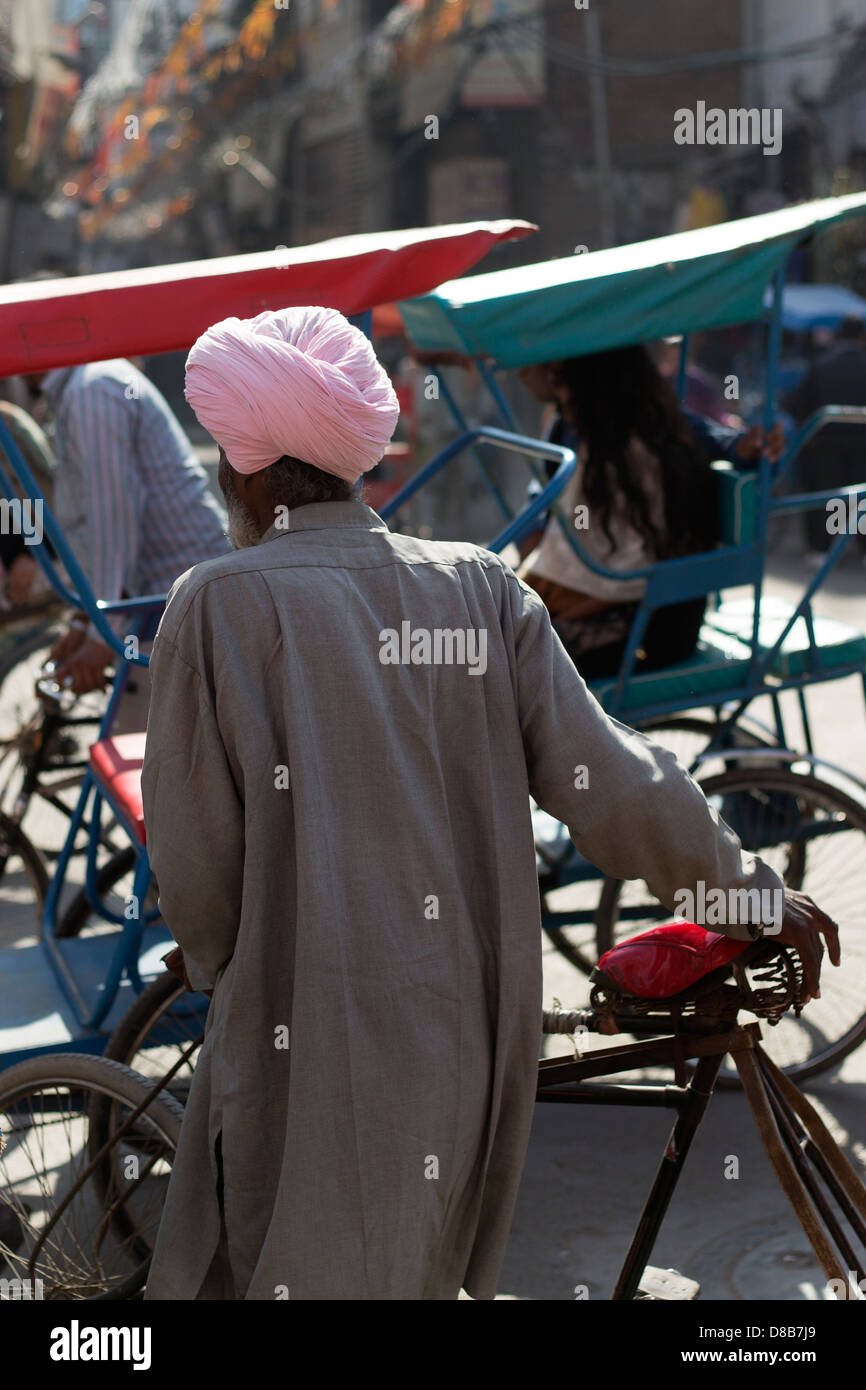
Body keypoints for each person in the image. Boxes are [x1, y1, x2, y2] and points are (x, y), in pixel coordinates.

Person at [140, 305, 839, 1301]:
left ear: (245, 472)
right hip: (468, 1041)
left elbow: (196, 864)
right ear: (351, 461)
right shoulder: (475, 586)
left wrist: (218, 964)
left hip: (302, 1034)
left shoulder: (216, 604)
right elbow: (613, 778)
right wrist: (746, 892)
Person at [23, 357, 231, 712]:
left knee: (147, 748)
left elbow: (112, 515)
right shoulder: (79, 388)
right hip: (156, 595)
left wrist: (105, 630)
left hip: (176, 599)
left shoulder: (93, 388)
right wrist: (84, 619)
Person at [517, 346, 720, 678]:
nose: (561, 395)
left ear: (595, 388)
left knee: (520, 656)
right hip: (618, 606)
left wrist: (554, 614)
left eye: (565, 383)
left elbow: (631, 575)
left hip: (654, 625)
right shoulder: (601, 448)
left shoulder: (636, 458)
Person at [784, 314, 866, 560]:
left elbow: (798, 404)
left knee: (824, 496)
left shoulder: (821, 364)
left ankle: (820, 550)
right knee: (862, 496)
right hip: (863, 445)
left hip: (824, 443)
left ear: (839, 335)